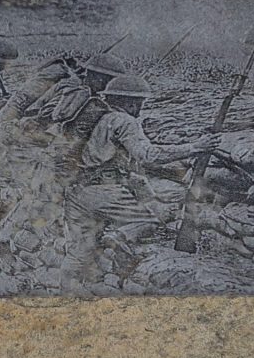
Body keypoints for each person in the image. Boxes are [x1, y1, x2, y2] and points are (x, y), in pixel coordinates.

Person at [65, 74, 218, 250]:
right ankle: (115, 238)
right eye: (140, 103)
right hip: (105, 191)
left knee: (80, 252)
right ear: (131, 103)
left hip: (78, 190)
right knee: (148, 223)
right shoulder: (125, 121)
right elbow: (148, 155)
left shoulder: (98, 118)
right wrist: (194, 147)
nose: (140, 108)